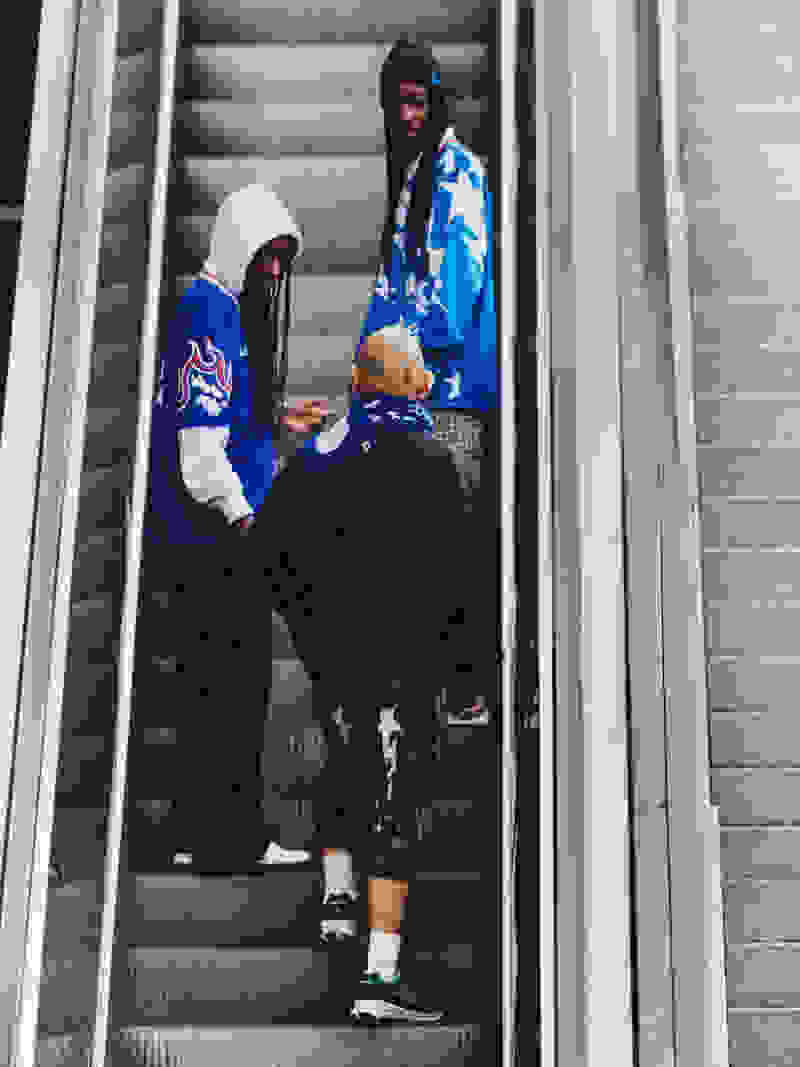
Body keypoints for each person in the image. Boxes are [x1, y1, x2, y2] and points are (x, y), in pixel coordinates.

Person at [256, 322, 481, 1023]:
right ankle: (379, 977)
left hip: (338, 659)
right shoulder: (432, 462)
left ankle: (336, 900)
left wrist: (311, 626)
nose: (428, 385)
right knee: (394, 802)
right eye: (421, 377)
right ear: (413, 385)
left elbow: (267, 551)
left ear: (357, 382)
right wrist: (466, 677)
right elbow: (460, 583)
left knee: (343, 764)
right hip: (403, 666)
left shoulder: (318, 457)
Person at [139, 183, 329, 873]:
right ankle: (231, 836)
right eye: (268, 258)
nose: (276, 274)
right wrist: (245, 514)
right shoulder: (210, 314)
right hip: (217, 536)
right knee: (233, 688)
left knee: (214, 687)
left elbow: (217, 419)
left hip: (213, 531)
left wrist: (278, 426)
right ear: (239, 250)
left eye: (284, 261)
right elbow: (198, 450)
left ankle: (202, 832)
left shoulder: (221, 311)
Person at [359, 38, 500, 725]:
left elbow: (455, 292)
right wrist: (370, 374)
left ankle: (466, 685)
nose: (407, 115)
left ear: (437, 102)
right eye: (397, 103)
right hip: (409, 395)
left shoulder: (458, 177)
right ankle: (423, 691)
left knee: (449, 541)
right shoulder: (413, 178)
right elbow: (390, 290)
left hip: (451, 396)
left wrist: (397, 355)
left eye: (418, 101)